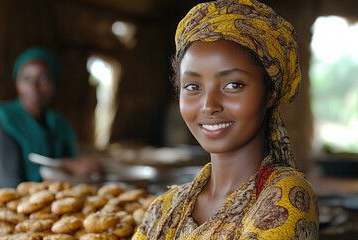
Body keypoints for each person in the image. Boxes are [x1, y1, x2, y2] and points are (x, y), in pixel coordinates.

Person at [133, 0, 319, 239]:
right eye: (192, 86)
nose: (209, 105)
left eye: (233, 85)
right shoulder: (165, 208)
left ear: (270, 94)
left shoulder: (286, 197)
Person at [0, 46, 102, 188]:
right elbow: (9, 185)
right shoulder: (4, 119)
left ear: (54, 83)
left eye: (43, 78)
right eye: (26, 78)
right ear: (16, 80)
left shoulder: (60, 125)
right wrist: (64, 165)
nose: (33, 85)